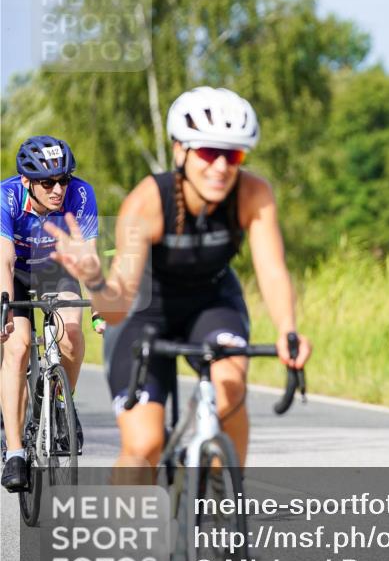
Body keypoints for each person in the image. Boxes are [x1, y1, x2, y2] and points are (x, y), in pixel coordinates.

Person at [44, 86, 310, 474]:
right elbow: (116, 309)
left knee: (231, 392)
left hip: (213, 302)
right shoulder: (147, 202)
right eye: (208, 153)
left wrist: (288, 330)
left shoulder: (253, 192)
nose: (221, 167)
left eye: (233, 155)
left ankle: (225, 496)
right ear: (179, 151)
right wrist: (95, 280)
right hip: (145, 308)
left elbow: (272, 268)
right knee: (144, 445)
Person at [1, 135, 99, 491]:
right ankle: (15, 453)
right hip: (16, 272)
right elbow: (4, 259)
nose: (58, 189)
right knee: (18, 347)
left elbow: (88, 255)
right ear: (27, 181)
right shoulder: (7, 196)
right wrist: (5, 310)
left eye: (63, 180)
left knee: (70, 335)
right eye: (47, 183)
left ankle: (61, 403)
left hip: (57, 268)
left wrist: (99, 306)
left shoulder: (81, 194)